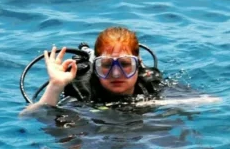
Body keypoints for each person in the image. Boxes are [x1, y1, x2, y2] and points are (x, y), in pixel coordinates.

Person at [23, 26, 165, 112]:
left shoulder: (150, 84)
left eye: (125, 64)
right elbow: (28, 116)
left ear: (138, 64)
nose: (116, 74)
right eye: (106, 65)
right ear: (95, 67)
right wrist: (55, 86)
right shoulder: (83, 91)